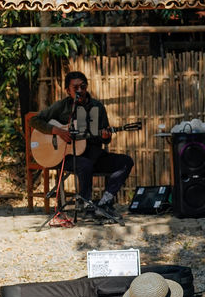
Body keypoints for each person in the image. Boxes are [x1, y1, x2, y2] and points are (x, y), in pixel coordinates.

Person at [31, 70, 134, 211]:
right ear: (68, 90)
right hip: (68, 156)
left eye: (83, 87)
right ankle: (86, 203)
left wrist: (106, 136)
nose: (80, 90)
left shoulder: (97, 107)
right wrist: (58, 131)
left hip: (94, 155)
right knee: (85, 165)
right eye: (76, 88)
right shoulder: (63, 106)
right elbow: (34, 120)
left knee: (125, 161)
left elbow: (106, 138)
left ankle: (105, 200)